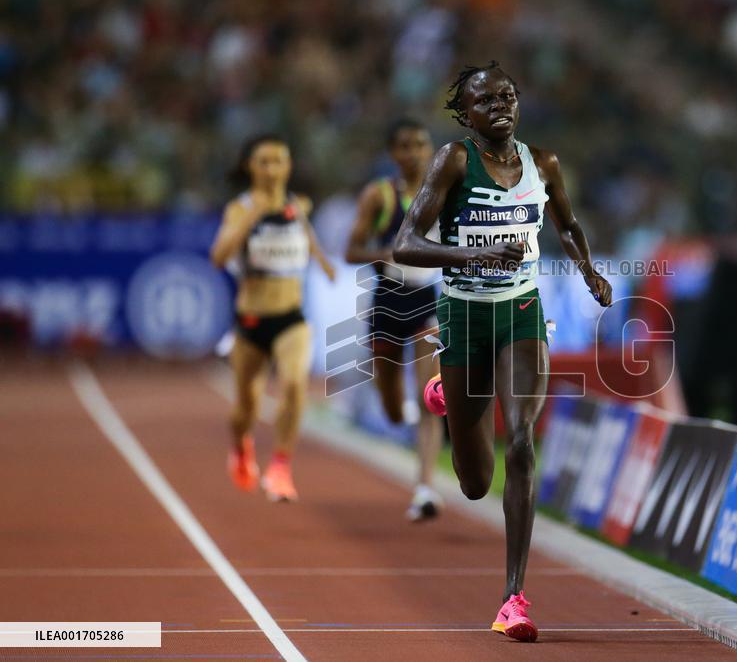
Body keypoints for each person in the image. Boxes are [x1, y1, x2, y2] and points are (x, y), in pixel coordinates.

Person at [393, 62, 612, 642]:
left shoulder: (544, 163)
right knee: (472, 483)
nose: (500, 106)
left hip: (521, 315)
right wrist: (471, 259)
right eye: (486, 100)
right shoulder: (454, 161)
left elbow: (565, 224)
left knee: (519, 441)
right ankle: (445, 392)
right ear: (466, 114)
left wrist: (588, 270)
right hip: (463, 317)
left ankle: (513, 597)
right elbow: (407, 243)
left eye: (508, 96)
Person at [210, 134, 336, 502]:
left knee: (295, 384)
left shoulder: (297, 206)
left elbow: (307, 238)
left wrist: (325, 263)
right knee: (245, 408)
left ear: (288, 166)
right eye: (263, 161)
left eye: (278, 161)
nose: (271, 169)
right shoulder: (239, 208)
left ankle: (280, 466)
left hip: (291, 318)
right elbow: (218, 257)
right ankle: (241, 445)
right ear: (251, 167)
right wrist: (252, 215)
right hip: (251, 321)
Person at [345, 118, 445, 521]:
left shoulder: (445, 193)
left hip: (426, 302)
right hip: (387, 304)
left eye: (420, 144)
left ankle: (424, 488)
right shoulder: (379, 195)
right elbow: (350, 249)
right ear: (393, 153)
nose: (414, 152)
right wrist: (384, 253)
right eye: (404, 145)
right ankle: (395, 412)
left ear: (430, 149)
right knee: (390, 407)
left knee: (431, 399)